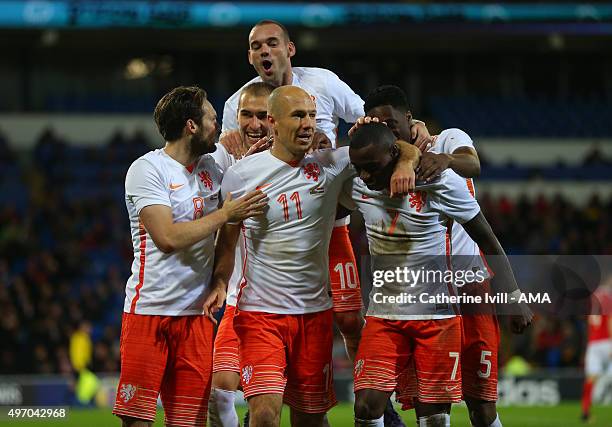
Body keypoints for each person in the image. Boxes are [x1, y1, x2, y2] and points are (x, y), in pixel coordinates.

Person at [208, 86, 419, 427]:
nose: (308, 123)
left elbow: (392, 147)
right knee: (263, 416)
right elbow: (228, 240)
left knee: (311, 419)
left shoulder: (331, 165)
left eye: (310, 115)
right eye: (298, 116)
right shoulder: (243, 174)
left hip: (313, 316)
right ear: (273, 122)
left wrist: (407, 157)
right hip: (260, 314)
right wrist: (219, 281)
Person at [344, 123, 533, 427]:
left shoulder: (442, 159)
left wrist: (514, 296)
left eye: (391, 122)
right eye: (359, 169)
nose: (364, 176)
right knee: (367, 406)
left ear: (406, 123)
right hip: (387, 313)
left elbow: (474, 174)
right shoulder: (357, 175)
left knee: (477, 408)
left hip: (460, 296)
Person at [112, 86, 267, 427]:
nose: (220, 127)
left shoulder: (212, 169)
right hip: (149, 313)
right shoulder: (147, 170)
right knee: (137, 421)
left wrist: (221, 279)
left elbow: (230, 232)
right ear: (191, 126)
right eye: (213, 119)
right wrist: (225, 214)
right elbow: (167, 237)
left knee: (189, 422)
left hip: (196, 317)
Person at [208, 81, 275, 427]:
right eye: (246, 115)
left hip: (289, 302)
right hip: (238, 299)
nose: (253, 124)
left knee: (299, 412)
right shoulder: (223, 158)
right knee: (218, 392)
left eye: (262, 116)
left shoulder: (299, 160)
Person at [581, 277, 612, 422]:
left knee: (591, 378)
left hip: (593, 343)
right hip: (606, 341)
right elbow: (610, 320)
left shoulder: (592, 299)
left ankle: (585, 412)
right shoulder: (608, 297)